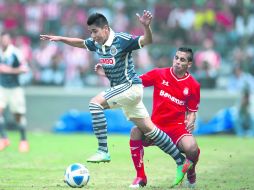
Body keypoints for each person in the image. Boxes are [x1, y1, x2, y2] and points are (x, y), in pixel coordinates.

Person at [40, 11, 192, 186]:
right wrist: (60, 39)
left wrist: (146, 26)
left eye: (95, 31)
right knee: (152, 131)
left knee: (95, 104)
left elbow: (147, 40)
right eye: (90, 32)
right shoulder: (97, 43)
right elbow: (82, 43)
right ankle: (181, 161)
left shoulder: (122, 39)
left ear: (105, 28)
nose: (93, 36)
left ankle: (103, 150)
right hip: (123, 92)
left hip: (131, 87)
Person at [128, 47, 201, 188]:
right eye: (176, 58)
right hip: (156, 126)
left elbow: (192, 111)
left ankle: (191, 173)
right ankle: (140, 177)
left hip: (177, 128)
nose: (178, 62)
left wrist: (191, 120)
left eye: (182, 59)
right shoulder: (158, 74)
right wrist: (111, 75)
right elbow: (135, 82)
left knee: (192, 149)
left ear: (189, 64)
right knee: (135, 132)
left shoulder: (193, 85)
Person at [0, 32, 30, 152]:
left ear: (10, 40)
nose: (4, 41)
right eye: (2, 40)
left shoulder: (16, 53)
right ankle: (4, 138)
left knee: (18, 116)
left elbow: (25, 69)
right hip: (2, 87)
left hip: (15, 88)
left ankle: (23, 140)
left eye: (6, 39)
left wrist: (9, 70)